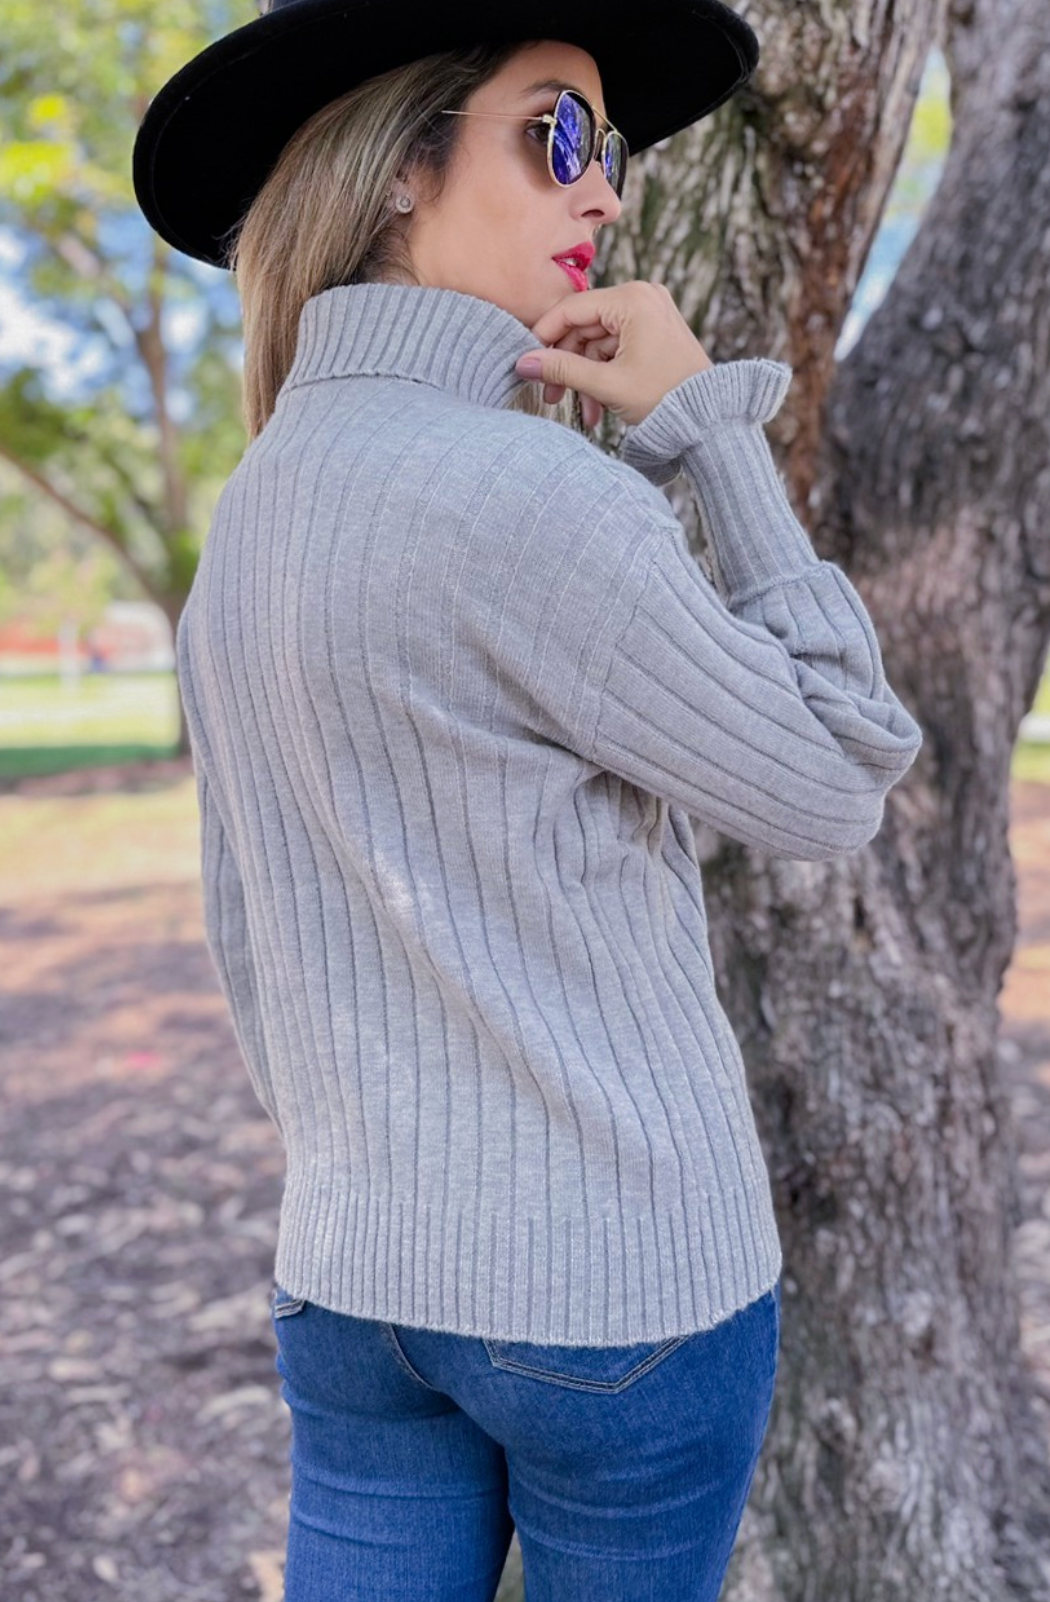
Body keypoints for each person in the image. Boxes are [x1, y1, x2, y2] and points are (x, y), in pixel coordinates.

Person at [133, 3, 924, 1598]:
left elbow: (248, 927)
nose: (605, 188)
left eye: (606, 148)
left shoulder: (255, 506)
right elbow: (841, 768)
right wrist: (708, 433)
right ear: (398, 163)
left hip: (354, 1281)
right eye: (557, 130)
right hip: (615, 1289)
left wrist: (369, 1174)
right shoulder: (540, 497)